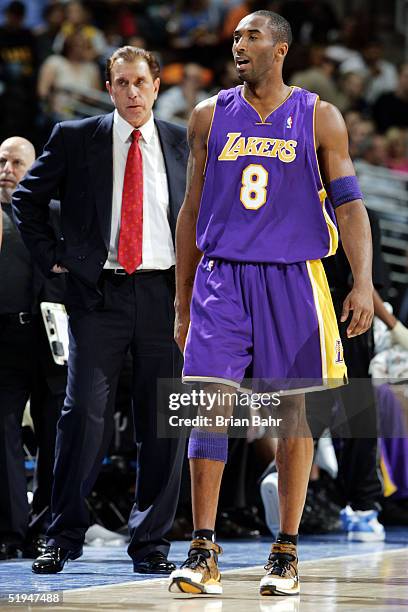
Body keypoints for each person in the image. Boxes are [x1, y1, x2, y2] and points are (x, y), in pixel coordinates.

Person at [169, 10, 373, 597]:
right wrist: (183, 299)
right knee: (207, 404)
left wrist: (361, 281)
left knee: (293, 417)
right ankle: (203, 548)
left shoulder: (319, 116)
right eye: (235, 36)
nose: (239, 43)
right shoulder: (209, 115)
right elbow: (190, 212)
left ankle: (284, 550)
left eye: (251, 35)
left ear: (280, 48)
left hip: (294, 276)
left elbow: (350, 204)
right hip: (222, 276)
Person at [12, 46, 188, 575]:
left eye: (140, 82)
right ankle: (61, 533)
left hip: (166, 298)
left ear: (156, 85)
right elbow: (27, 200)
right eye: (121, 83)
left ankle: (152, 542)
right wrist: (55, 259)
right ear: (108, 88)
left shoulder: (183, 141)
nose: (132, 93)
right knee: (82, 416)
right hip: (99, 296)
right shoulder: (75, 137)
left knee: (163, 422)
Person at [0, 136, 66, 560]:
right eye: (2, 162)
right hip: (5, 338)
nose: (7, 169)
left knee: (54, 435)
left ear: (35, 167)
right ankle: (10, 529)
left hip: (53, 338)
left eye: (17, 162)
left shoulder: (54, 213)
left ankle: (46, 526)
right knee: (4, 430)